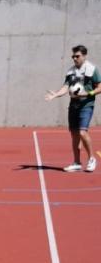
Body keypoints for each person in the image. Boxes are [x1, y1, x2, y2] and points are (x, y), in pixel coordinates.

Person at [45, 44, 101, 173]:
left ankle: (92, 159)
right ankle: (77, 163)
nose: (75, 58)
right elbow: (65, 87)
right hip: (73, 106)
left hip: (86, 105)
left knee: (82, 132)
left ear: (84, 56)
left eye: (77, 56)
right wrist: (56, 95)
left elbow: (100, 87)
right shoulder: (71, 71)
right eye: (73, 56)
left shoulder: (92, 69)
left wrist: (88, 93)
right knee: (74, 134)